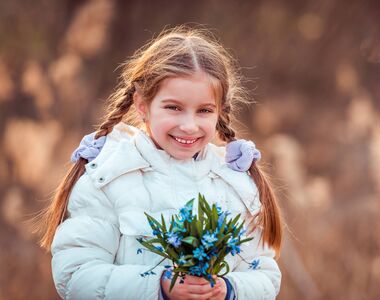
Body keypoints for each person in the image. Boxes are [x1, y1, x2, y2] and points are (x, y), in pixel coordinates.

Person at [35, 26, 282, 300]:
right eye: (173, 107)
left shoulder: (233, 182)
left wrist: (229, 289)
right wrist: (158, 287)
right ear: (142, 104)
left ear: (220, 111)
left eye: (204, 111)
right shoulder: (109, 176)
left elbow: (265, 275)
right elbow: (76, 276)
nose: (189, 126)